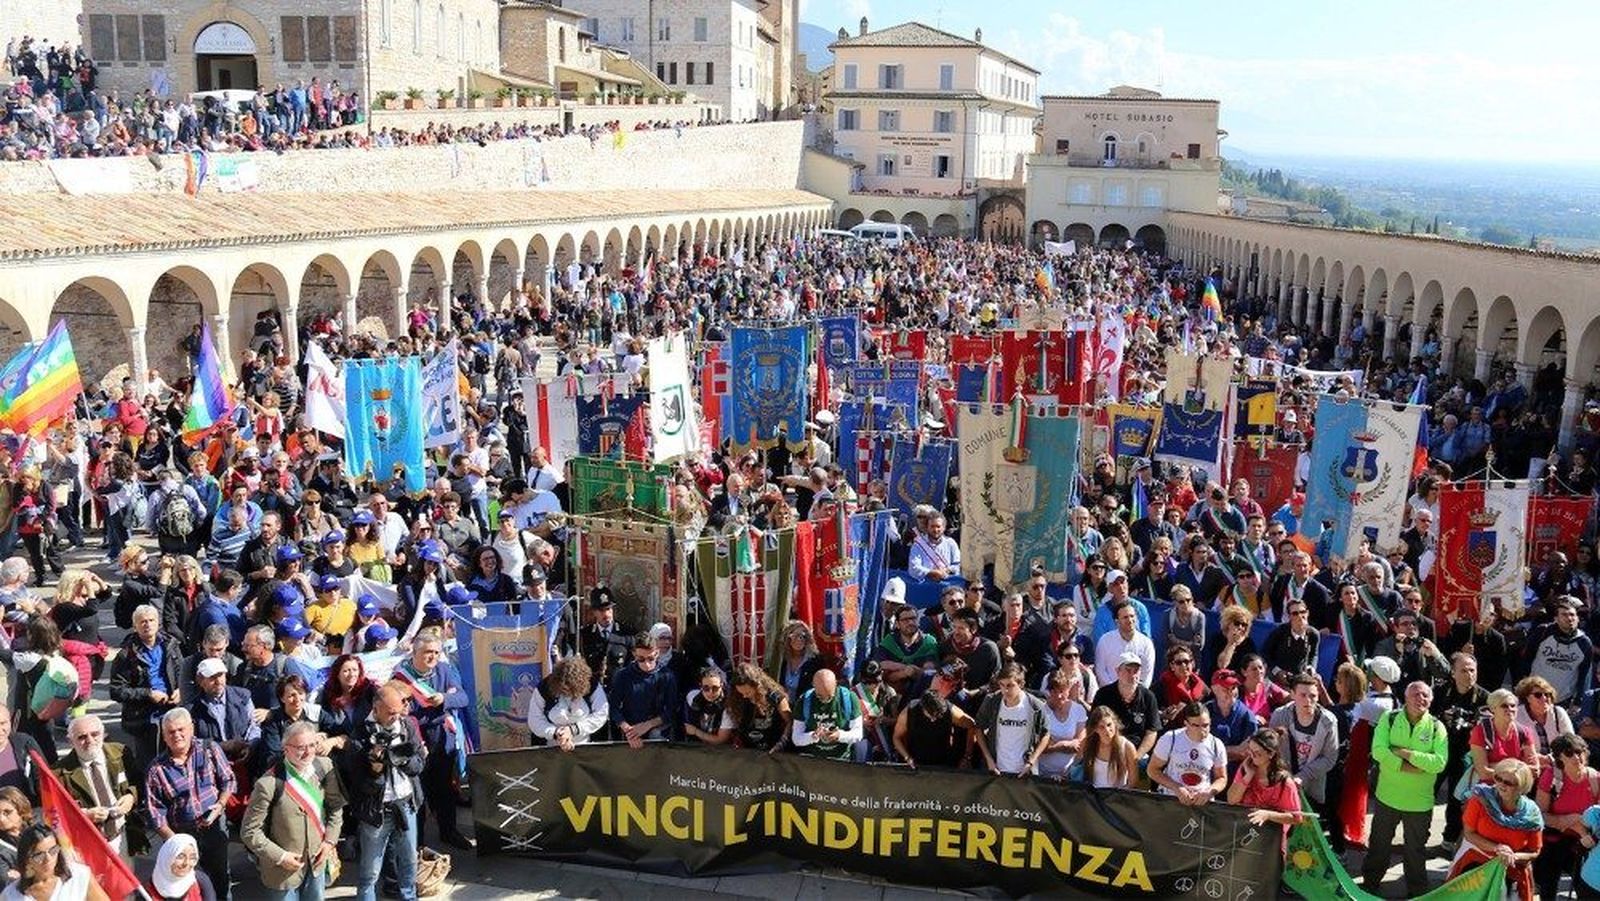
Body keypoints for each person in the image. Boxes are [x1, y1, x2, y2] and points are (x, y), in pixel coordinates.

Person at [1362, 681, 1450, 897]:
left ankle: (1417, 891)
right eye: (1416, 694)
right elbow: (1378, 751)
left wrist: (1406, 754)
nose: (1421, 699)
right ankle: (1370, 884)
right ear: (1406, 697)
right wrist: (1407, 766)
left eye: (1426, 696)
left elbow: (1439, 763)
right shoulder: (1389, 719)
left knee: (1415, 851)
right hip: (1387, 797)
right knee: (1379, 846)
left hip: (1419, 803)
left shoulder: (1437, 727)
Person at [241, 721, 346, 901]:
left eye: (312, 745)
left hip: (316, 864)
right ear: (286, 749)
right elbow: (250, 832)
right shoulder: (268, 784)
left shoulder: (324, 767)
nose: (307, 752)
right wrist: (281, 857)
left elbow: (335, 807)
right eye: (300, 747)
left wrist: (329, 841)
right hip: (282, 872)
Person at [341, 685, 425, 901]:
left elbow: (418, 765)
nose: (396, 716)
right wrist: (375, 770)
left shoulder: (406, 726)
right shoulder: (360, 733)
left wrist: (402, 760)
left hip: (406, 804)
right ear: (375, 709)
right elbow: (358, 783)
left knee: (409, 863)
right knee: (370, 872)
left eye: (399, 711)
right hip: (376, 811)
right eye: (390, 713)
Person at [391, 633, 473, 849]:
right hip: (416, 739)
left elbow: (463, 698)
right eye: (428, 652)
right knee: (418, 791)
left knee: (446, 788)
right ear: (415, 652)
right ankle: (417, 844)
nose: (433, 656)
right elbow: (404, 712)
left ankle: (449, 831)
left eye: (437, 652)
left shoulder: (444, 670)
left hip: (442, 738)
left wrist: (445, 698)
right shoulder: (401, 677)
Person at [144, 708, 236, 901]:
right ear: (165, 737)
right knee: (188, 883)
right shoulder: (156, 769)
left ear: (191, 729)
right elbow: (155, 814)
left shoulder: (209, 749)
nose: (177, 735)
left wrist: (220, 804)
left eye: (181, 729)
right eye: (171, 732)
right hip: (181, 832)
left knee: (221, 877)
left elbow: (228, 780)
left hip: (214, 827)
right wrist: (178, 844)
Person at [1449, 758, 1543, 900]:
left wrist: (1512, 857)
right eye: (1498, 778)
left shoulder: (1532, 813)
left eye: (1509, 783)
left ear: (1521, 787)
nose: (1501, 785)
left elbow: (1534, 851)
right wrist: (1498, 848)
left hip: (1512, 872)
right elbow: (1469, 834)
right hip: (1476, 868)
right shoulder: (1481, 799)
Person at [108, 603, 184, 771]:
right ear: (135, 626)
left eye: (151, 620)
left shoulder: (171, 645)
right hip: (145, 717)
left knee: (176, 760)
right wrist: (148, 694)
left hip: (171, 710)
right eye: (142, 622)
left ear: (158, 623)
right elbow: (116, 690)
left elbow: (182, 673)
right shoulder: (126, 655)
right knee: (150, 765)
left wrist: (180, 690)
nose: (147, 624)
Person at [58, 715, 139, 862]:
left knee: (126, 883)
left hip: (122, 837)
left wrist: (131, 797)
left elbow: (139, 782)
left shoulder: (121, 754)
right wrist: (84, 815)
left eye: (95, 734)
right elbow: (57, 812)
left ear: (104, 734)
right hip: (87, 844)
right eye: (82, 737)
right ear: (70, 741)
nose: (90, 741)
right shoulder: (59, 773)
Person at [1535, 733, 1600, 899]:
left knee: (1584, 889)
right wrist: (1565, 820)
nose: (1577, 757)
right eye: (1570, 753)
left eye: (1580, 752)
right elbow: (1539, 815)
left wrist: (1583, 832)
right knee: (1547, 889)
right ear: (1559, 757)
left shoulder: (1595, 779)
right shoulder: (1551, 777)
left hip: (1582, 844)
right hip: (1553, 841)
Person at [1268, 674, 1340, 824]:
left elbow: (1330, 758)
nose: (1308, 700)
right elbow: (1271, 748)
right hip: (1283, 780)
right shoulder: (1280, 715)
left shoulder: (1328, 721)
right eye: (1303, 695)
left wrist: (1304, 775)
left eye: (1313, 696)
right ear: (1292, 694)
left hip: (1313, 783)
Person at [1224, 730, 1303, 848]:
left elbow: (1296, 817)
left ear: (1271, 754)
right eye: (1250, 751)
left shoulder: (1284, 782)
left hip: (1271, 842)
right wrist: (1248, 776)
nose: (1251, 756)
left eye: (1257, 753)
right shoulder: (1245, 768)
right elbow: (1231, 799)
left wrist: (1268, 815)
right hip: (1244, 835)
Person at [974, 663, 1050, 776]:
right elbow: (978, 728)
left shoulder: (1035, 706)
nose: (1005, 690)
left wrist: (1031, 762)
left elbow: (1046, 734)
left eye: (1010, 685)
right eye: (1001, 685)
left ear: (1021, 684)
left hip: (1024, 772)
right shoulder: (992, 701)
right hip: (997, 770)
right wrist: (989, 759)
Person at [1, 821, 108, 901]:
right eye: (39, 855)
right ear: (27, 860)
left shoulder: (78, 875)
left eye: (53, 850)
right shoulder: (11, 895)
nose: (48, 859)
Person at [1148, 701, 1227, 806]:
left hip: (1201, 802)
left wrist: (1209, 792)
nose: (1202, 731)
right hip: (1172, 799)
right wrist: (1176, 787)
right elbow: (1152, 770)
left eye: (1205, 725)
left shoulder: (1216, 744)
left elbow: (1221, 778)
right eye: (1196, 725)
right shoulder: (1170, 739)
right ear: (1186, 724)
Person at [608, 633, 679, 749]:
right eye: (641, 659)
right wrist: (629, 731)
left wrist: (648, 725)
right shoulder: (623, 675)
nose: (646, 664)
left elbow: (672, 709)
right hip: (630, 732)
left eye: (651, 659)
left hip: (657, 732)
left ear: (657, 653)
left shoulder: (666, 675)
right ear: (634, 654)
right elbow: (613, 708)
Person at [1090, 652, 1162, 764]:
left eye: (1136, 671)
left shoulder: (1148, 696)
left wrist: (1136, 757)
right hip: (1108, 749)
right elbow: (1093, 726)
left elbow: (1151, 732)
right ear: (1117, 671)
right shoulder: (1103, 695)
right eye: (1128, 670)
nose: (1132, 675)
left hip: (1137, 752)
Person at [526, 656, 609, 750]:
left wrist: (573, 730)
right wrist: (556, 733)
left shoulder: (593, 685)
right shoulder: (544, 688)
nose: (567, 692)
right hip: (551, 748)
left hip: (586, 746)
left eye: (571, 689)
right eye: (564, 688)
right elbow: (534, 719)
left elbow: (601, 714)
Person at [893, 689, 977, 771]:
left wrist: (967, 756)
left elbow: (972, 725)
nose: (933, 720)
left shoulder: (951, 712)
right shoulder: (909, 712)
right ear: (923, 708)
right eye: (931, 715)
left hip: (944, 762)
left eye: (937, 716)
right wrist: (907, 757)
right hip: (917, 762)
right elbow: (896, 738)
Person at [792, 670, 863, 761]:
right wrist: (813, 736)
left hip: (841, 760)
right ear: (813, 685)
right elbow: (796, 738)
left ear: (836, 684)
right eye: (820, 697)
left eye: (830, 697)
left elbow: (858, 734)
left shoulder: (849, 698)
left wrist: (839, 735)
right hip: (812, 760)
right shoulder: (804, 701)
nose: (825, 701)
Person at [1035, 669, 1089, 779]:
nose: (1059, 696)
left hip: (1070, 774)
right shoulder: (1041, 711)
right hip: (1044, 774)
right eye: (1054, 691)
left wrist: (1053, 743)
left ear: (1068, 690)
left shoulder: (1078, 710)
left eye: (1062, 691)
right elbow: (1039, 746)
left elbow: (1080, 744)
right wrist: (1062, 745)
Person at [727, 663, 792, 754]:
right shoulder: (738, 697)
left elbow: (789, 722)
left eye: (748, 692)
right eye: (741, 693)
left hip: (773, 749)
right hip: (748, 749)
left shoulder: (776, 697)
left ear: (757, 685)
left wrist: (782, 742)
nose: (745, 696)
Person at [1077, 705, 1138, 789]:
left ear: (1115, 723)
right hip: (1092, 796)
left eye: (1109, 725)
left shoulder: (1127, 747)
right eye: (1101, 727)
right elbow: (1075, 769)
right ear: (1095, 729)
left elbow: (1133, 782)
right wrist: (1062, 778)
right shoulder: (1087, 743)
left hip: (1116, 798)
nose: (1107, 730)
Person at [142, 833, 217, 901]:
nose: (186, 863)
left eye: (192, 857)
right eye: (180, 857)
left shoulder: (200, 880)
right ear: (167, 858)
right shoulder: (145, 892)